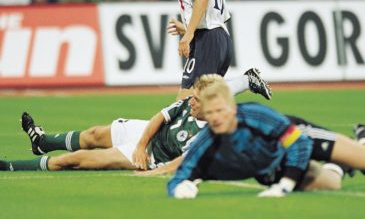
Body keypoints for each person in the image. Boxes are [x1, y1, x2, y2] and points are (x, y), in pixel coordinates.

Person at [0, 70, 272, 173]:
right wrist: (141, 142)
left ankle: (9, 167)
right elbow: (158, 118)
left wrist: (147, 162)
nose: (190, 101)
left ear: (210, 106)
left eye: (197, 101)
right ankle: (42, 142)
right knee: (94, 134)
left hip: (149, 156)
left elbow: (179, 164)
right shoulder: (191, 103)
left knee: (74, 159)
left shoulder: (209, 133)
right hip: (145, 134)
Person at [167, 80, 365, 198]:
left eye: (220, 110)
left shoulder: (255, 115)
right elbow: (181, 175)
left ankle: (361, 141)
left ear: (233, 108)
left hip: (298, 136)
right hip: (272, 164)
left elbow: (299, 143)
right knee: (332, 184)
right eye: (210, 113)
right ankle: (341, 165)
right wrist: (181, 188)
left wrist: (285, 185)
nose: (216, 117)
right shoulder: (206, 142)